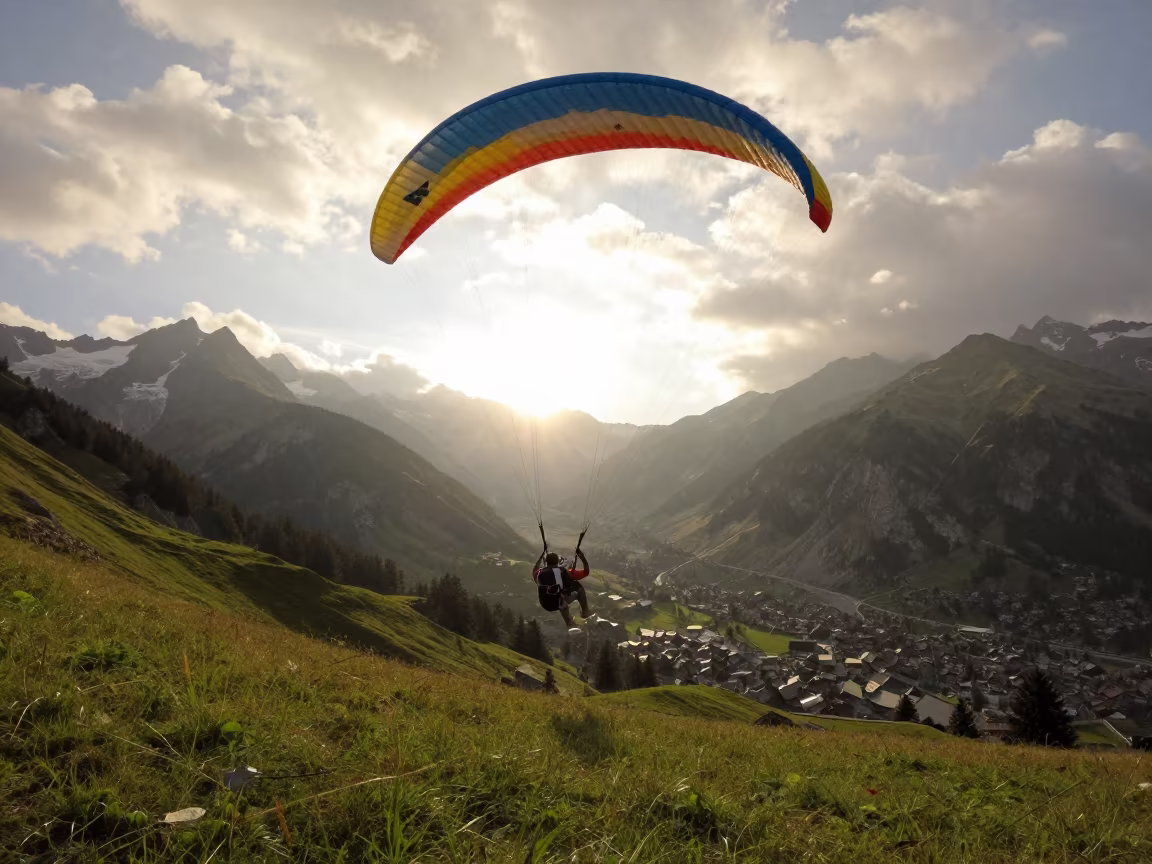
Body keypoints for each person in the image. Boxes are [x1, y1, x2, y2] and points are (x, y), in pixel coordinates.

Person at [532, 549, 590, 626]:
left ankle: (568, 620)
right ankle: (585, 612)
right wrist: (582, 558)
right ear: (557, 562)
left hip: (545, 603)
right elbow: (586, 572)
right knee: (579, 589)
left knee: (557, 594)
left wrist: (540, 557)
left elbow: (535, 569)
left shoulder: (538, 573)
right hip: (559, 602)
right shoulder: (564, 572)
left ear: (546, 562)